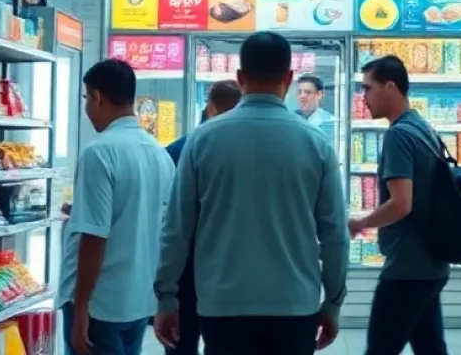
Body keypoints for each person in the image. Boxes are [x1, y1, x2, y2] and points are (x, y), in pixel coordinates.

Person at [154, 32, 348, 355]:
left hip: (222, 305)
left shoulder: (202, 140)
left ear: (240, 77)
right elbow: (335, 235)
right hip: (294, 305)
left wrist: (167, 296)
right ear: (288, 78)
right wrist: (333, 302)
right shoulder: (317, 145)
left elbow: (176, 228)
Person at [58, 58, 175, 355]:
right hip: (138, 299)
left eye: (87, 98)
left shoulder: (100, 152)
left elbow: (95, 236)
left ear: (97, 96)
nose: (86, 108)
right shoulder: (158, 153)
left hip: (101, 304)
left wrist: (81, 307)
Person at [349, 54, 450, 355]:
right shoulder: (423, 128)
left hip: (407, 266)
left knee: (380, 348)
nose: (363, 97)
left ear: (390, 86)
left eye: (367, 88)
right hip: (431, 261)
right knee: (430, 346)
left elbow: (401, 204)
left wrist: (360, 223)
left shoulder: (398, 136)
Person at [162, 80, 242, 355]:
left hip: (187, 268)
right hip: (223, 269)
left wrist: (164, 289)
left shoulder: (177, 150)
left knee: (181, 343)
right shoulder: (238, 156)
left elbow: (170, 223)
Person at [295, 73, 336, 146]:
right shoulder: (292, 119)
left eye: (307, 92)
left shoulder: (330, 122)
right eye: (299, 92)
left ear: (319, 95)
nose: (302, 96)